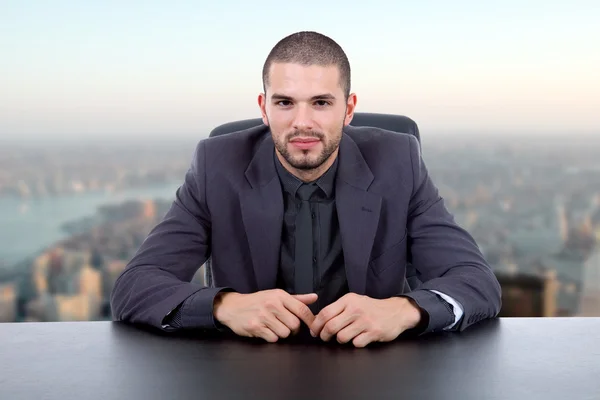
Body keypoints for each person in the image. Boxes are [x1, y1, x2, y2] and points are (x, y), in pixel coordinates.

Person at [110, 31, 502, 347]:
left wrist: (403, 311)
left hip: (374, 376)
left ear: (348, 109)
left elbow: (475, 280)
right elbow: (135, 286)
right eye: (285, 103)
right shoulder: (217, 165)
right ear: (264, 108)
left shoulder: (399, 161)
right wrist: (224, 306)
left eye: (320, 103)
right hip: (247, 379)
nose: (302, 123)